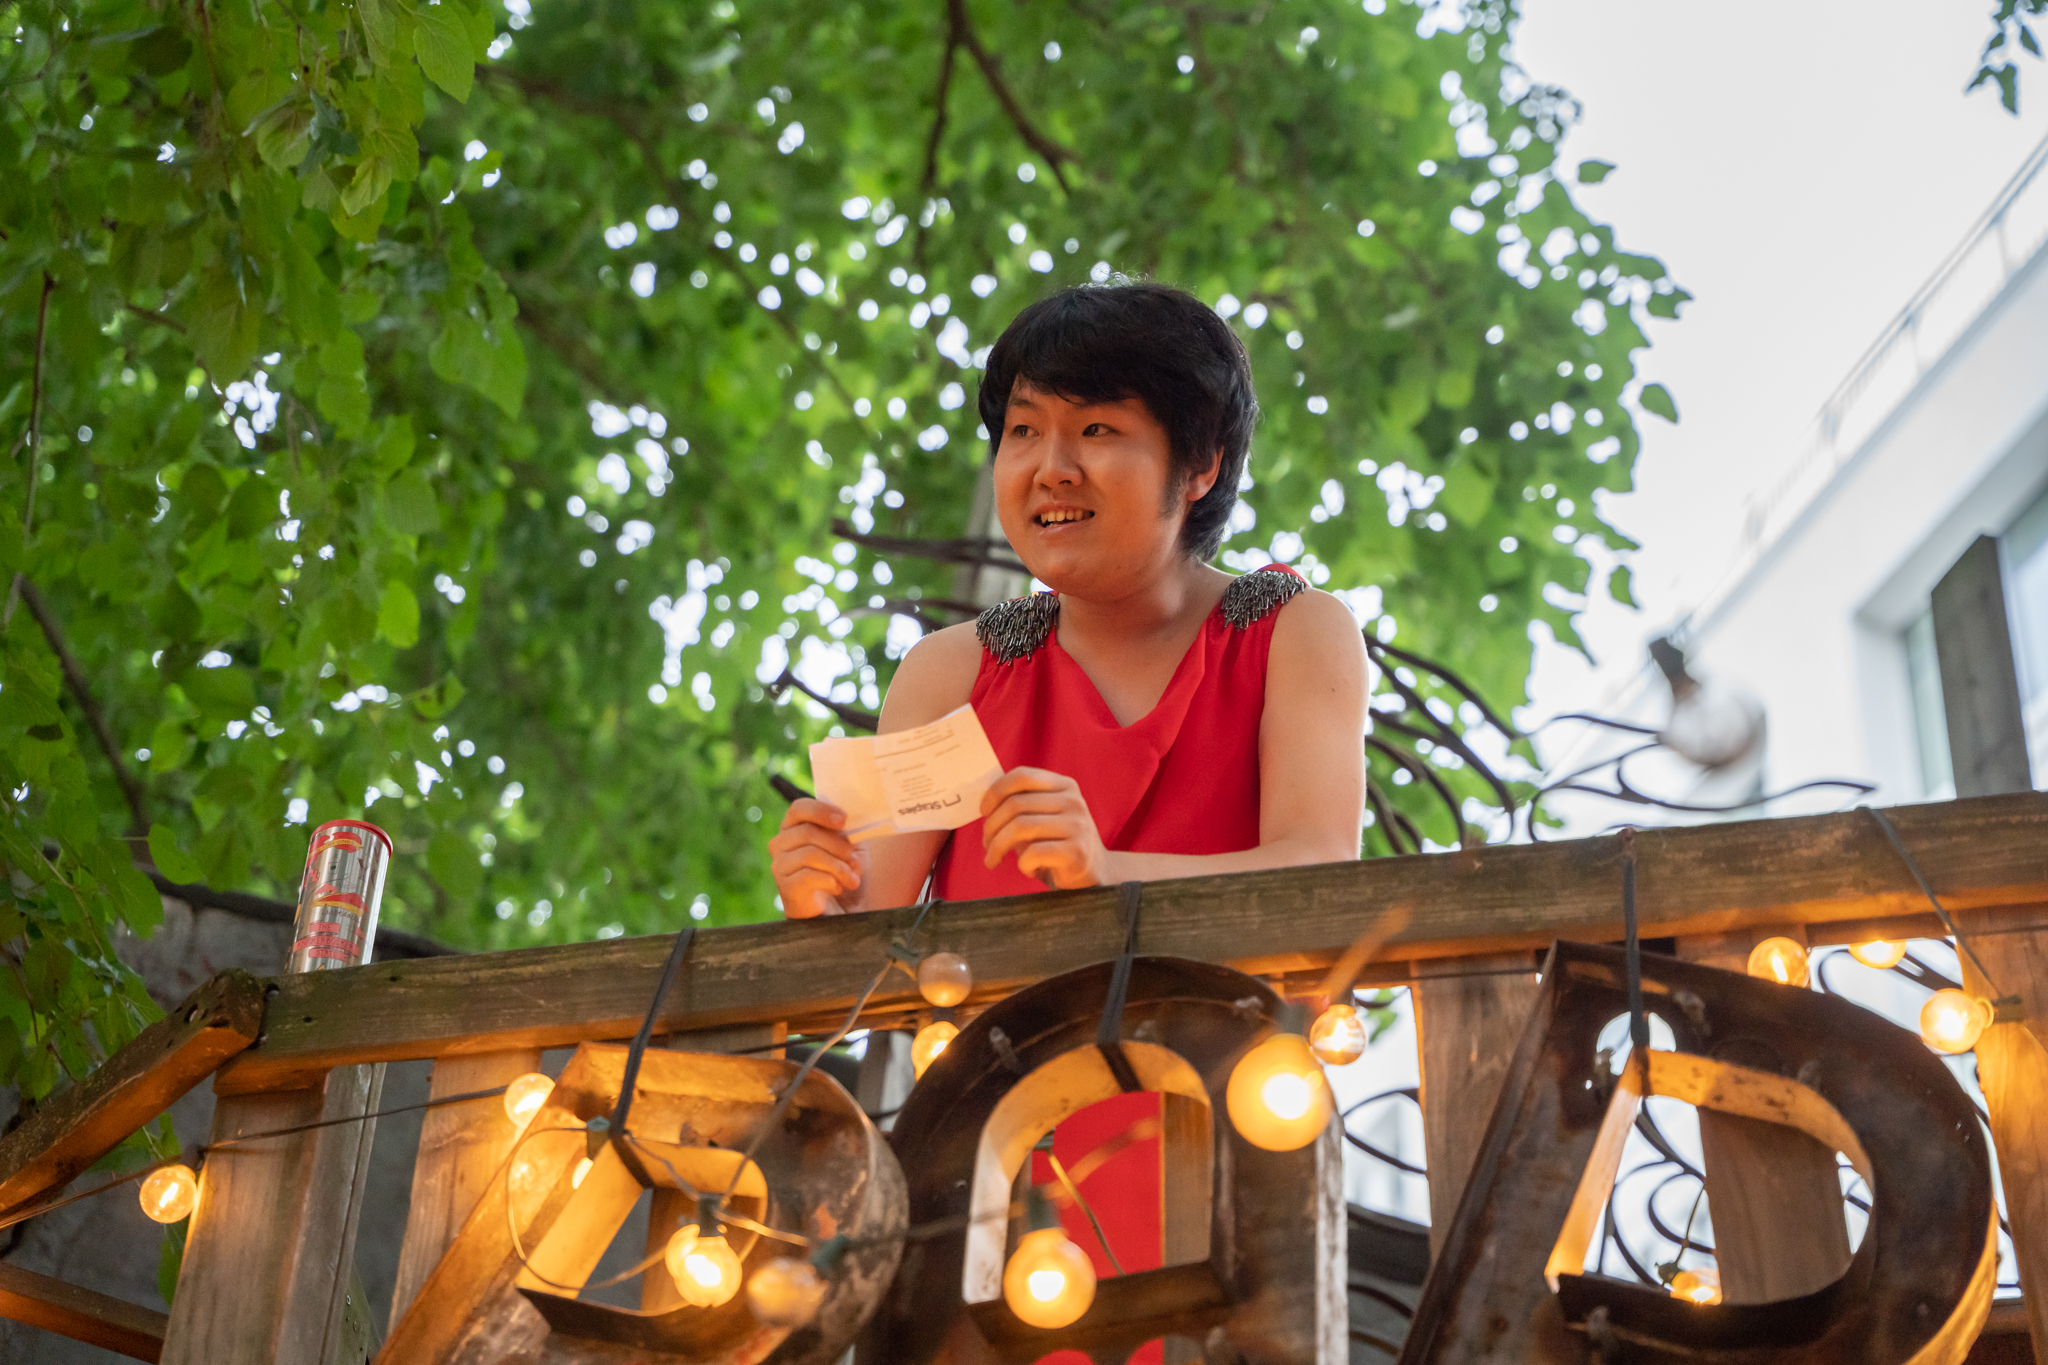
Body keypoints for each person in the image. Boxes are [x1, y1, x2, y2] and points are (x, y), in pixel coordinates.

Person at [770, 281, 1368, 917]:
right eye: (1023, 428)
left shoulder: (1294, 633)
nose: (1051, 467)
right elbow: (867, 933)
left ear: (1199, 465)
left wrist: (1107, 874)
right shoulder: (950, 675)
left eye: (1096, 427)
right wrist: (816, 899)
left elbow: (1319, 874)